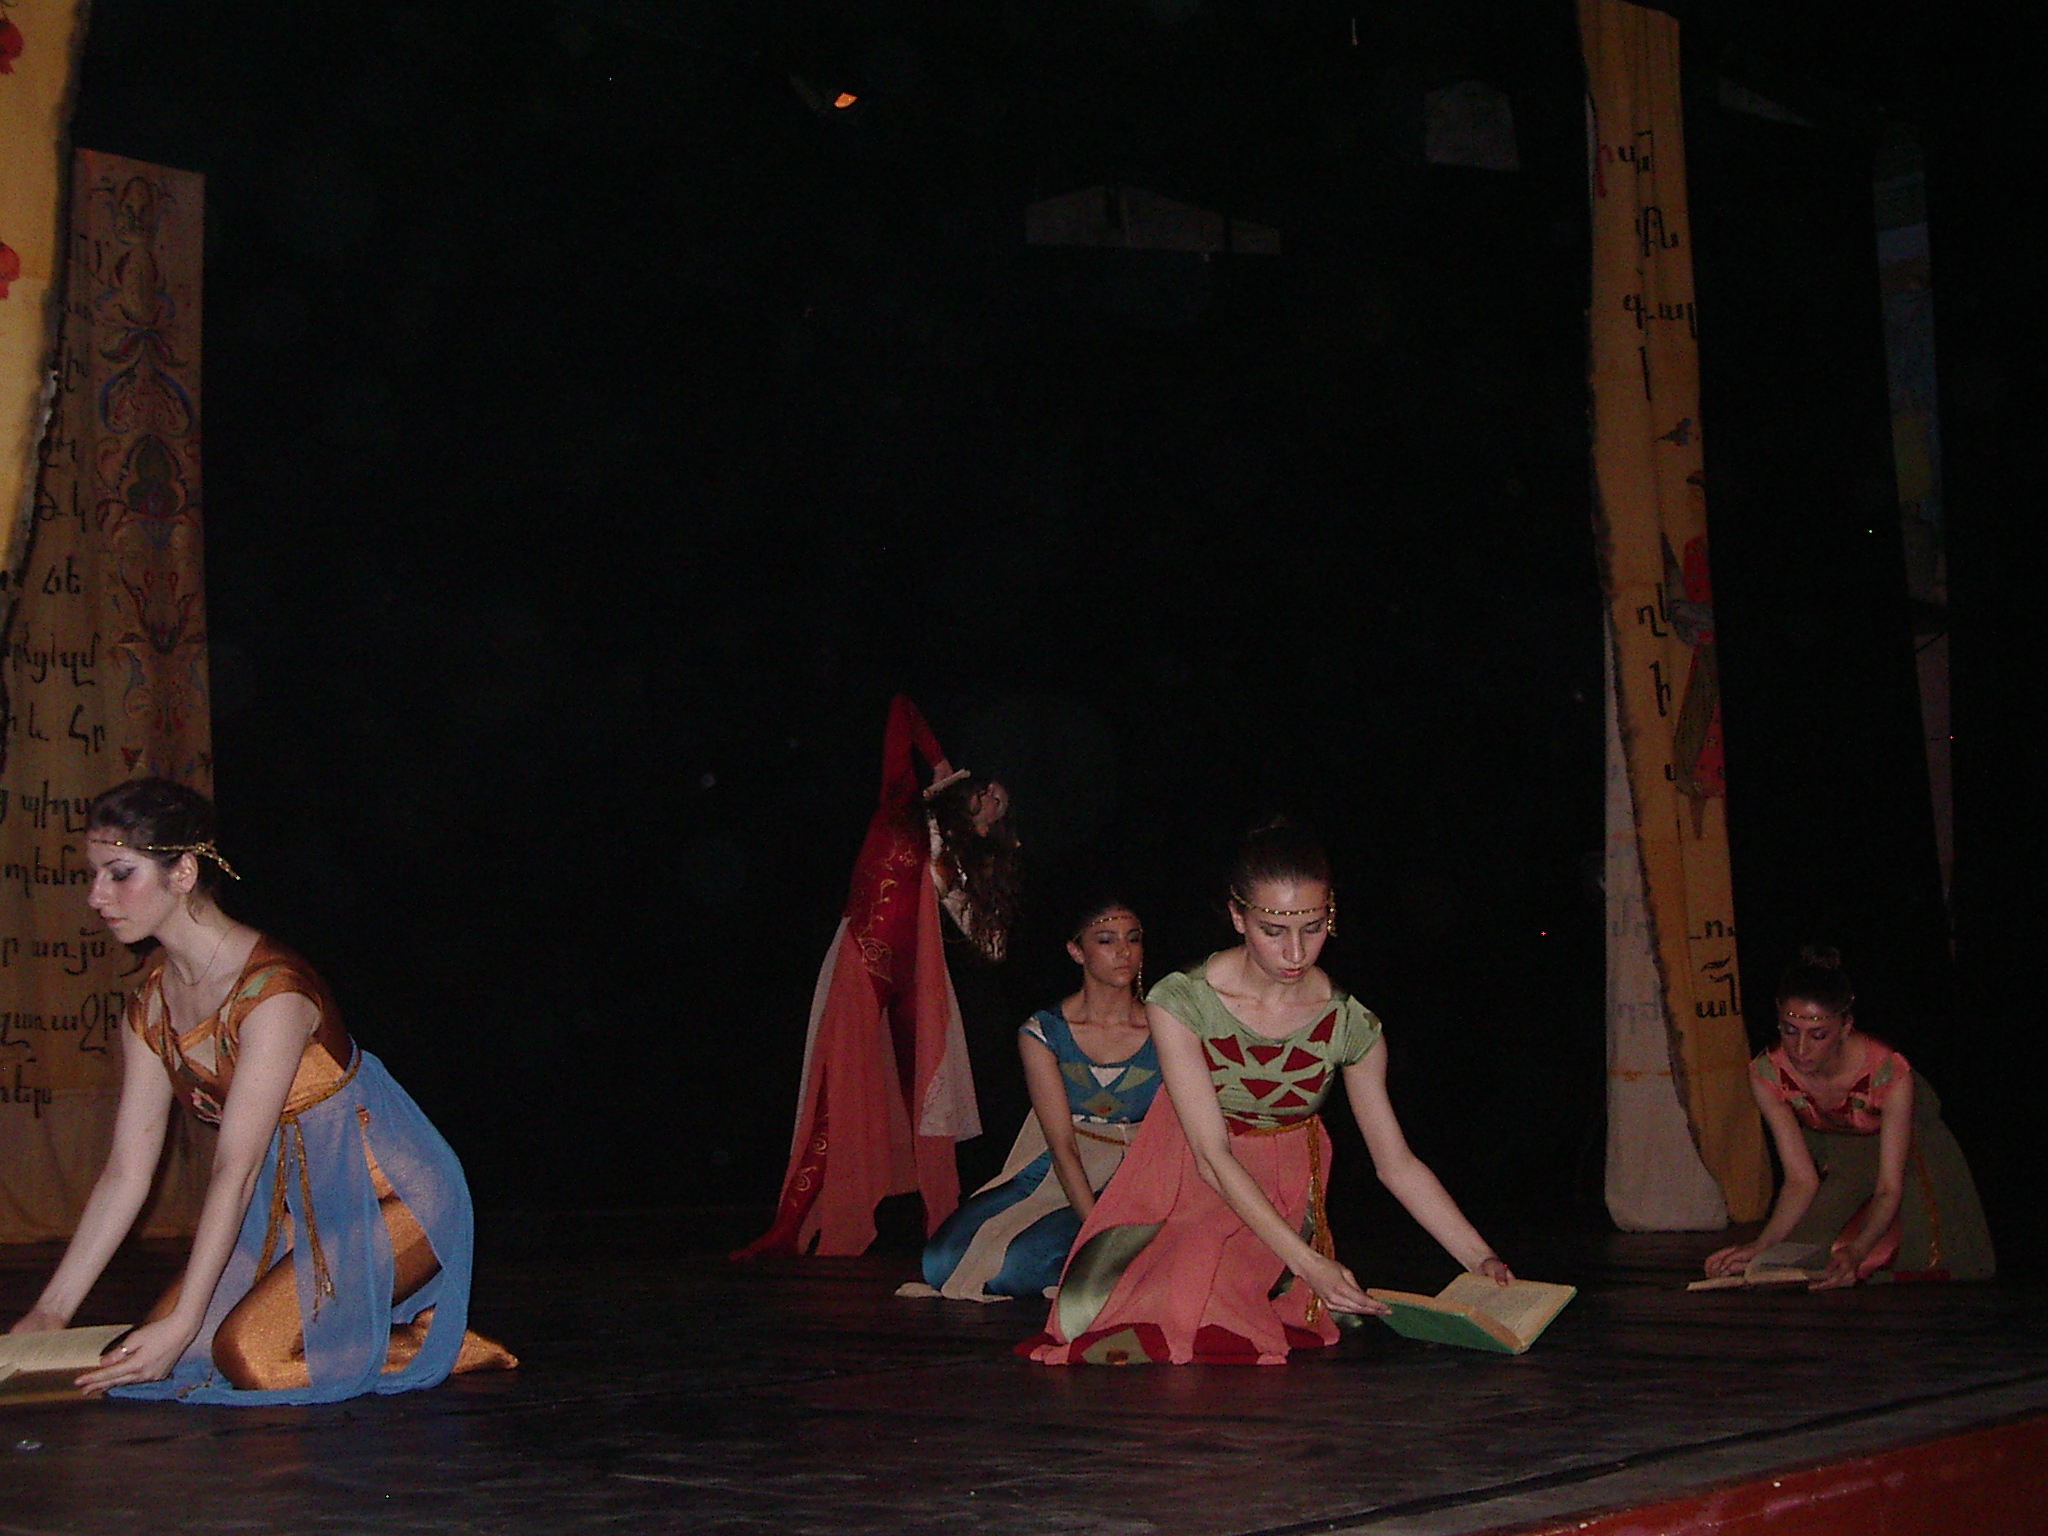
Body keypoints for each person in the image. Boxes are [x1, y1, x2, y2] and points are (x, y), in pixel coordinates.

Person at [5, 778, 515, 1403]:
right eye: (94, 875)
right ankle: (341, 1334)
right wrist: (51, 1310)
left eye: (119, 874)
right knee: (160, 1353)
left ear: (183, 873)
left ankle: (437, 1345)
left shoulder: (273, 993)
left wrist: (187, 1318)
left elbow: (236, 1169)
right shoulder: (151, 1005)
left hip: (399, 1201)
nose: (96, 896)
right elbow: (126, 1172)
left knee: (248, 1356)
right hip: (302, 1212)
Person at [1023, 821, 1511, 1366]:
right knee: (1163, 1316)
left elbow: (1396, 1163)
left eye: (1313, 927)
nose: (1295, 952)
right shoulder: (1181, 1001)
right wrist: (1308, 1263)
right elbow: (1210, 1156)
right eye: (1273, 930)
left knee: (1227, 1322)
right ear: (1238, 917)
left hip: (1282, 1187)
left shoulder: (1351, 1024)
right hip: (1184, 1178)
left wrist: (1479, 1258)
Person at [734, 695, 1018, 1259]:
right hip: (863, 964)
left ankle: (943, 1230)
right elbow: (900, 708)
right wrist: (937, 761)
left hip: (914, 984)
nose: (989, 797)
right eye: (988, 789)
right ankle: (790, 1225)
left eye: (998, 803)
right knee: (834, 1096)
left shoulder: (954, 868)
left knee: (928, 1103)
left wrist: (974, 885)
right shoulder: (900, 803)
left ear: (990, 826)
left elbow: (992, 950)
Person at [905, 894, 1160, 1301]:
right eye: (1106, 940)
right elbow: (1062, 1147)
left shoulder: (1164, 1029)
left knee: (1015, 1267)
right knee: (941, 1262)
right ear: (1077, 951)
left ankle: (1116, 1261)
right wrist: (1094, 1227)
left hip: (1130, 1174)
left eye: (1133, 938)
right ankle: (1097, 1256)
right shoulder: (1044, 1032)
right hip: (1056, 1168)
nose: (1123, 951)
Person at [1703, 947, 1994, 1287]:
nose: (1800, 1049)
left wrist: (1858, 1251)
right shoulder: (1768, 1072)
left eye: (1818, 1035)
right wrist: (1761, 1245)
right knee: (1798, 1252)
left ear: (1845, 1028)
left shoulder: (1887, 1071)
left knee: (1887, 1255)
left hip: (1908, 1157)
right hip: (1846, 1160)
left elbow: (1889, 1186)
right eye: (1789, 1030)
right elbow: (1801, 1180)